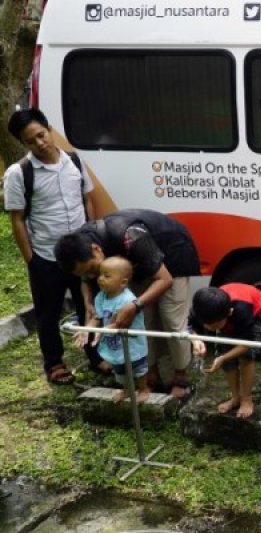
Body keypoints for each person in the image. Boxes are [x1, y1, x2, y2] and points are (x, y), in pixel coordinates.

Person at [3, 108, 106, 385]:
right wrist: (31, 260)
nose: (40, 143)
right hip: (47, 255)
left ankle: (96, 355)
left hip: (82, 254)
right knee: (48, 313)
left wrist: (91, 236)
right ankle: (54, 363)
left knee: (90, 306)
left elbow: (87, 198)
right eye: (30, 141)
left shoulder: (73, 160)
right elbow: (17, 219)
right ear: (23, 144)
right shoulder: (19, 173)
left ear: (48, 128)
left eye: (41, 134)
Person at [54, 208, 200, 398]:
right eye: (85, 273)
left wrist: (134, 305)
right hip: (134, 265)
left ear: (96, 249)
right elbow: (85, 278)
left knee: (171, 319)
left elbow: (164, 279)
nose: (93, 276)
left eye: (92, 269)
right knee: (143, 321)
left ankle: (180, 376)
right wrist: (88, 303)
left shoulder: (129, 234)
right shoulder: (79, 246)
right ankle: (150, 372)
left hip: (172, 257)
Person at [73, 256, 149, 403]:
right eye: (100, 274)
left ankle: (143, 388)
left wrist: (101, 332)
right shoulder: (101, 297)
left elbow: (121, 323)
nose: (101, 279)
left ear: (123, 282)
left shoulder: (127, 300)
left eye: (107, 276)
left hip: (131, 342)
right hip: (113, 342)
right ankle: (127, 389)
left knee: (138, 368)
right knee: (119, 368)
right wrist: (87, 329)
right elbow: (97, 317)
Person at [189, 283, 261, 419]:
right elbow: (191, 329)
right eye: (207, 325)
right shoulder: (200, 309)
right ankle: (235, 397)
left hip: (256, 309)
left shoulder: (242, 310)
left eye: (215, 326)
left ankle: (246, 399)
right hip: (230, 313)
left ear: (229, 313)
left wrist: (223, 357)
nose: (211, 329)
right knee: (227, 355)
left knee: (246, 358)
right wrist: (196, 341)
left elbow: (247, 344)